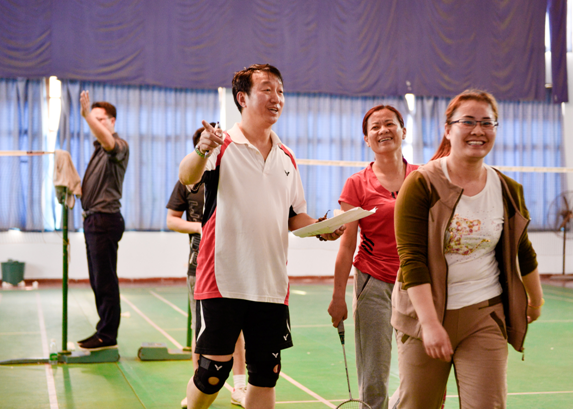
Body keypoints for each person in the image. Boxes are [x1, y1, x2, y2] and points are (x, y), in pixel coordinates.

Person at [178, 64, 345, 409]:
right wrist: (202, 149)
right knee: (212, 373)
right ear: (243, 98)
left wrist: (322, 229)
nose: (276, 98)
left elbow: (294, 216)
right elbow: (187, 177)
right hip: (223, 279)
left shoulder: (287, 157)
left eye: (280, 91)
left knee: (266, 374)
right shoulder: (221, 145)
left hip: (271, 284)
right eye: (267, 89)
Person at [391, 89, 544, 408]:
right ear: (448, 129)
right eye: (468, 121)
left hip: (484, 313)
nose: (478, 130)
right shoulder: (421, 184)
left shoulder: (507, 189)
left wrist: (536, 299)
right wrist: (430, 325)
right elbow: (412, 260)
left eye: (487, 123)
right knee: (417, 403)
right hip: (424, 315)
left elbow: (523, 250)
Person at [327, 105, 418, 409]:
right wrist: (338, 297)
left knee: (419, 372)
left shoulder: (422, 178)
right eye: (375, 127)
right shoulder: (357, 183)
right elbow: (346, 245)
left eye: (389, 124)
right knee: (374, 375)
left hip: (417, 284)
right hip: (373, 283)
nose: (383, 130)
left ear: (403, 131)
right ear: (366, 139)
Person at [166, 125, 247, 408]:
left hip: (235, 263)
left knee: (237, 329)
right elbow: (172, 219)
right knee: (201, 331)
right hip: (199, 265)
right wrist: (201, 227)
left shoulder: (232, 174)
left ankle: (239, 386)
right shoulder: (188, 179)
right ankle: (197, 387)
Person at [77, 91, 129, 350]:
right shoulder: (97, 150)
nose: (95, 124)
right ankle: (103, 330)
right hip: (93, 220)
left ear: (112, 121)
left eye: (99, 120)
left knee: (105, 280)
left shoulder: (117, 146)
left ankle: (107, 335)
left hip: (105, 220)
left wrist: (86, 115)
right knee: (97, 280)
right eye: (92, 119)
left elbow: (108, 141)